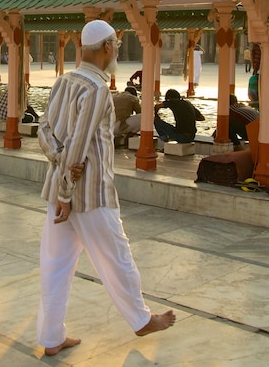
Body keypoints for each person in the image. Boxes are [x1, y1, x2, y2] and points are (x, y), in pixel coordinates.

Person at [37, 19, 175, 357]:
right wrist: (68, 195)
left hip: (59, 189)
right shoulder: (97, 88)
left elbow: (43, 129)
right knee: (117, 257)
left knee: (54, 266)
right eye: (115, 45)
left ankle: (51, 337)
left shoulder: (64, 81)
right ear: (108, 48)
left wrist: (57, 168)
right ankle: (141, 320)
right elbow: (79, 146)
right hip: (90, 194)